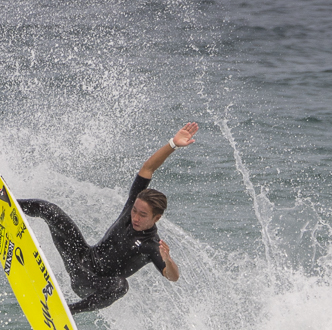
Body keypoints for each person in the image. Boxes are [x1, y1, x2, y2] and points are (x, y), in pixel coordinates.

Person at [19, 122, 198, 313]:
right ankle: (3, 202)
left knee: (121, 286)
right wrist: (173, 144)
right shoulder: (133, 207)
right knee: (50, 210)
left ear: (157, 218)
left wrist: (168, 260)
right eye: (135, 210)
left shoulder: (151, 245)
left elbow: (172, 277)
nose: (135, 216)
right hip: (80, 257)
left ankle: (66, 311)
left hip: (92, 283)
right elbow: (148, 169)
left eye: (142, 214)